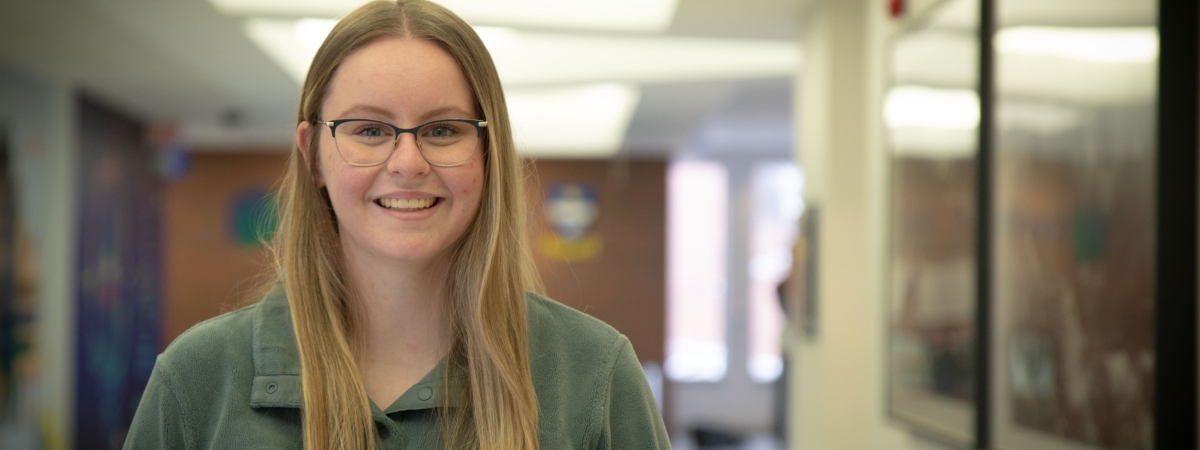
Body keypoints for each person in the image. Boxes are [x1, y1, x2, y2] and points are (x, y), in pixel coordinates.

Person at [124, 1, 670, 448]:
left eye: (442, 130)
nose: (408, 163)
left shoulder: (596, 377)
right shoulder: (196, 380)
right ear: (314, 155)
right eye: (368, 130)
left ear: (488, 154)